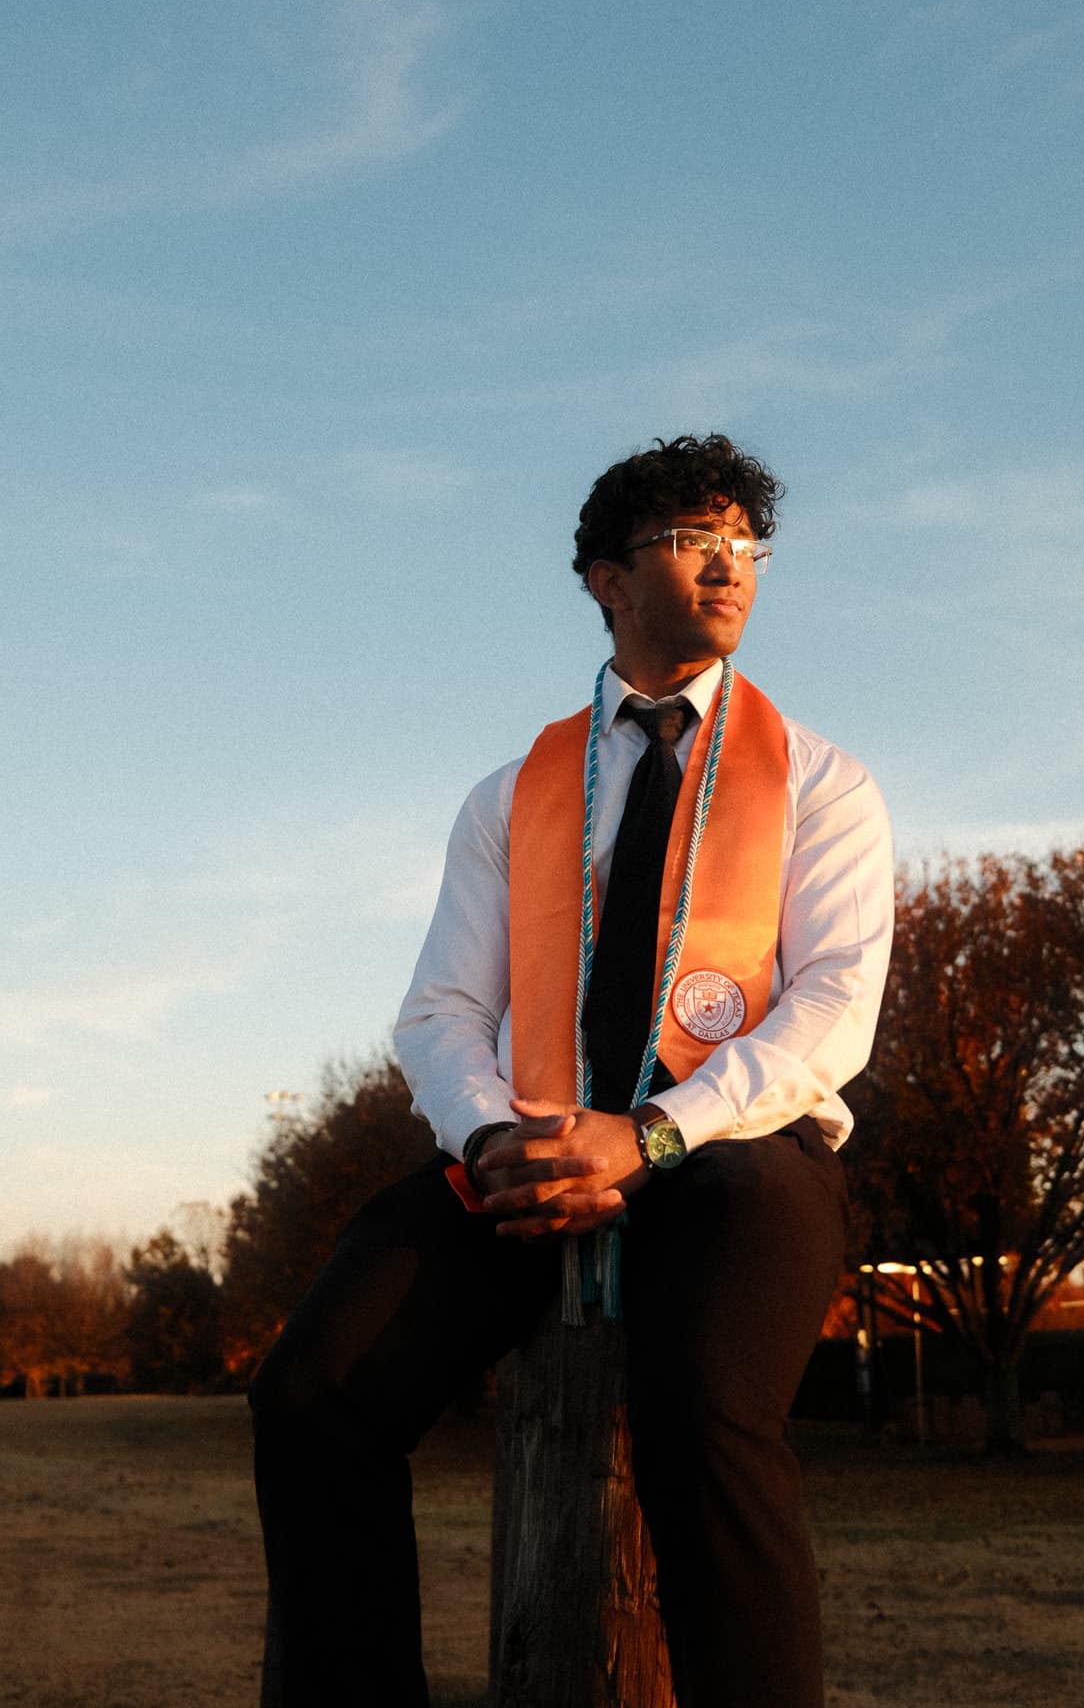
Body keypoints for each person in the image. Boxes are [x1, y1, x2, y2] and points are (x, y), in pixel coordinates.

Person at [250, 433, 893, 1708]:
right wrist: (496, 1142)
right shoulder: (515, 794)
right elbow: (442, 1011)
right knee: (313, 1392)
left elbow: (833, 1006)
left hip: (735, 1157)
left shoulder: (823, 783)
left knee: (702, 1420)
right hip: (530, 1157)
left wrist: (652, 1134)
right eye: (693, 542)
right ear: (606, 576)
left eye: (745, 545)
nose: (729, 567)